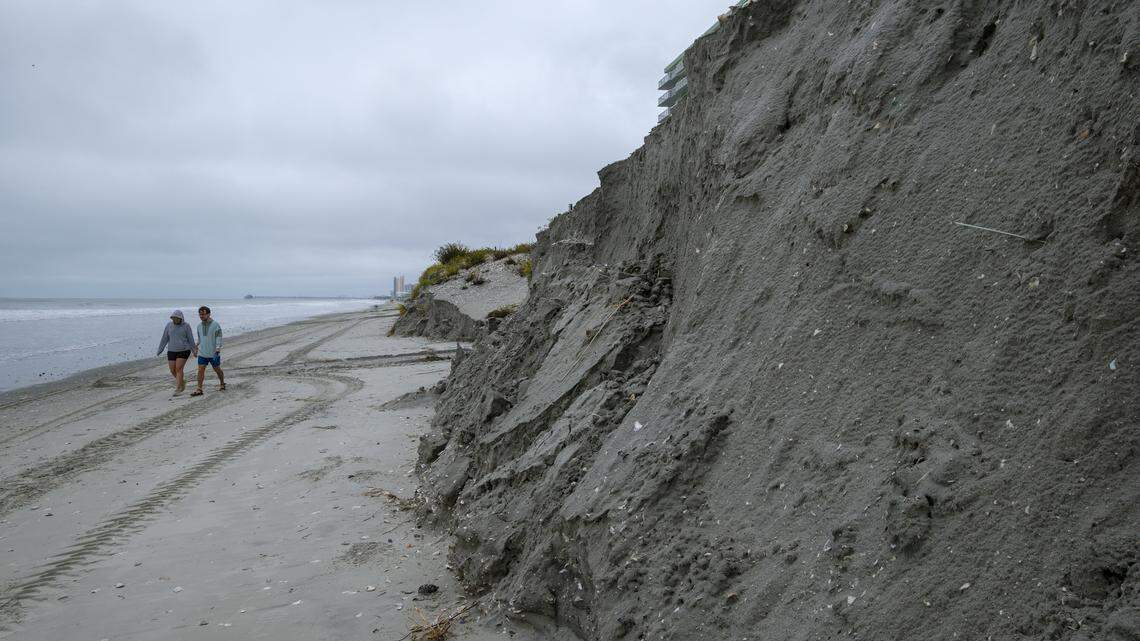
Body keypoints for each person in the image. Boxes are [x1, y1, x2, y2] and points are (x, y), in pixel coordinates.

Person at [156, 310, 197, 395]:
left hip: (184, 350)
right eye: (173, 318)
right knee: (172, 370)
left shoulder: (186, 326)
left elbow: (190, 339)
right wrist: (160, 349)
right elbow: (164, 338)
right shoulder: (169, 325)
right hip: (171, 350)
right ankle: (182, 381)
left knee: (178, 368)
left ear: (181, 318)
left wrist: (194, 350)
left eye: (177, 318)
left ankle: (178, 388)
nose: (175, 320)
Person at [191, 305, 225, 396]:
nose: (201, 316)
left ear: (209, 314)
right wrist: (195, 347)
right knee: (200, 370)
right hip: (203, 353)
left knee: (217, 369)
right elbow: (200, 339)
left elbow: (219, 337)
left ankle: (222, 383)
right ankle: (199, 389)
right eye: (200, 314)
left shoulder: (215, 325)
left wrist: (218, 348)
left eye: (203, 314)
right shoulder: (198, 326)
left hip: (213, 353)